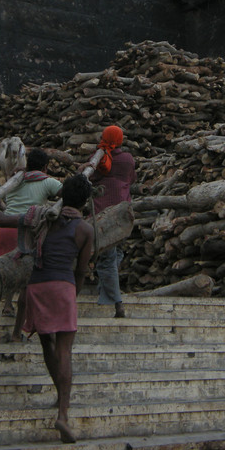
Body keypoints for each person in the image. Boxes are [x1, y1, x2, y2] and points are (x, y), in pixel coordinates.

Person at [0, 175, 94, 444]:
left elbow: (0, 220)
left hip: (37, 287)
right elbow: (81, 271)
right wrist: (72, 295)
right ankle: (63, 413)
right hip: (63, 286)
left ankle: (58, 392)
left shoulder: (38, 217)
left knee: (47, 345)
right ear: (86, 201)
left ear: (62, 194)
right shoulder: (85, 230)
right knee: (65, 350)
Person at [0, 148, 61, 324]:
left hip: (5, 228)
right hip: (26, 229)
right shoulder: (47, 182)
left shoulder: (14, 180)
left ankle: (7, 304)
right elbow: (67, 193)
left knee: (7, 269)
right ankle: (22, 319)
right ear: (45, 167)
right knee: (26, 275)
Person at [90, 125, 135, 318]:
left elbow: (91, 179)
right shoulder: (127, 159)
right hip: (123, 214)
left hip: (103, 214)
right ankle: (106, 289)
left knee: (107, 259)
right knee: (116, 253)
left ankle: (117, 303)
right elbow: (131, 180)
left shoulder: (99, 158)